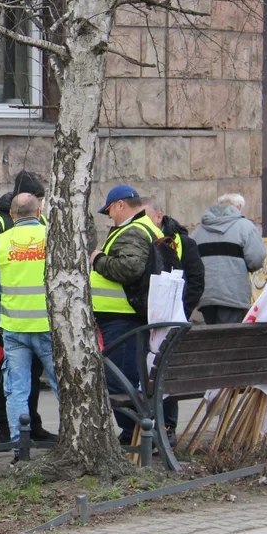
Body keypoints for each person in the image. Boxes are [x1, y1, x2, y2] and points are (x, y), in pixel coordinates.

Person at [0, 193, 59, 458]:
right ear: (39, 213)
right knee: (64, 386)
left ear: (12, 215)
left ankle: (19, 449)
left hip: (13, 329)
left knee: (16, 390)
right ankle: (75, 441)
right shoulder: (54, 238)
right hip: (50, 328)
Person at [90, 184, 165, 443]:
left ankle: (137, 434)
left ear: (120, 205)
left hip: (122, 318)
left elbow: (131, 268)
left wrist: (97, 259)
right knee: (128, 376)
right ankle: (138, 433)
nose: (110, 216)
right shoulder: (147, 228)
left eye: (110, 211)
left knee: (118, 380)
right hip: (129, 316)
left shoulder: (131, 230)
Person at [142, 196, 204, 444]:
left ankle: (168, 428)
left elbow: (196, 282)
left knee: (165, 373)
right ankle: (153, 426)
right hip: (148, 320)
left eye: (145, 218)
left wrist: (179, 314)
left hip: (171, 321)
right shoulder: (141, 238)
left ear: (159, 217)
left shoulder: (184, 243)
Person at [191, 193, 267, 325]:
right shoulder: (245, 226)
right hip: (234, 295)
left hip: (206, 295)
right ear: (238, 207)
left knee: (211, 337)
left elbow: (192, 262)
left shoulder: (198, 230)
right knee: (230, 339)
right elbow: (256, 259)